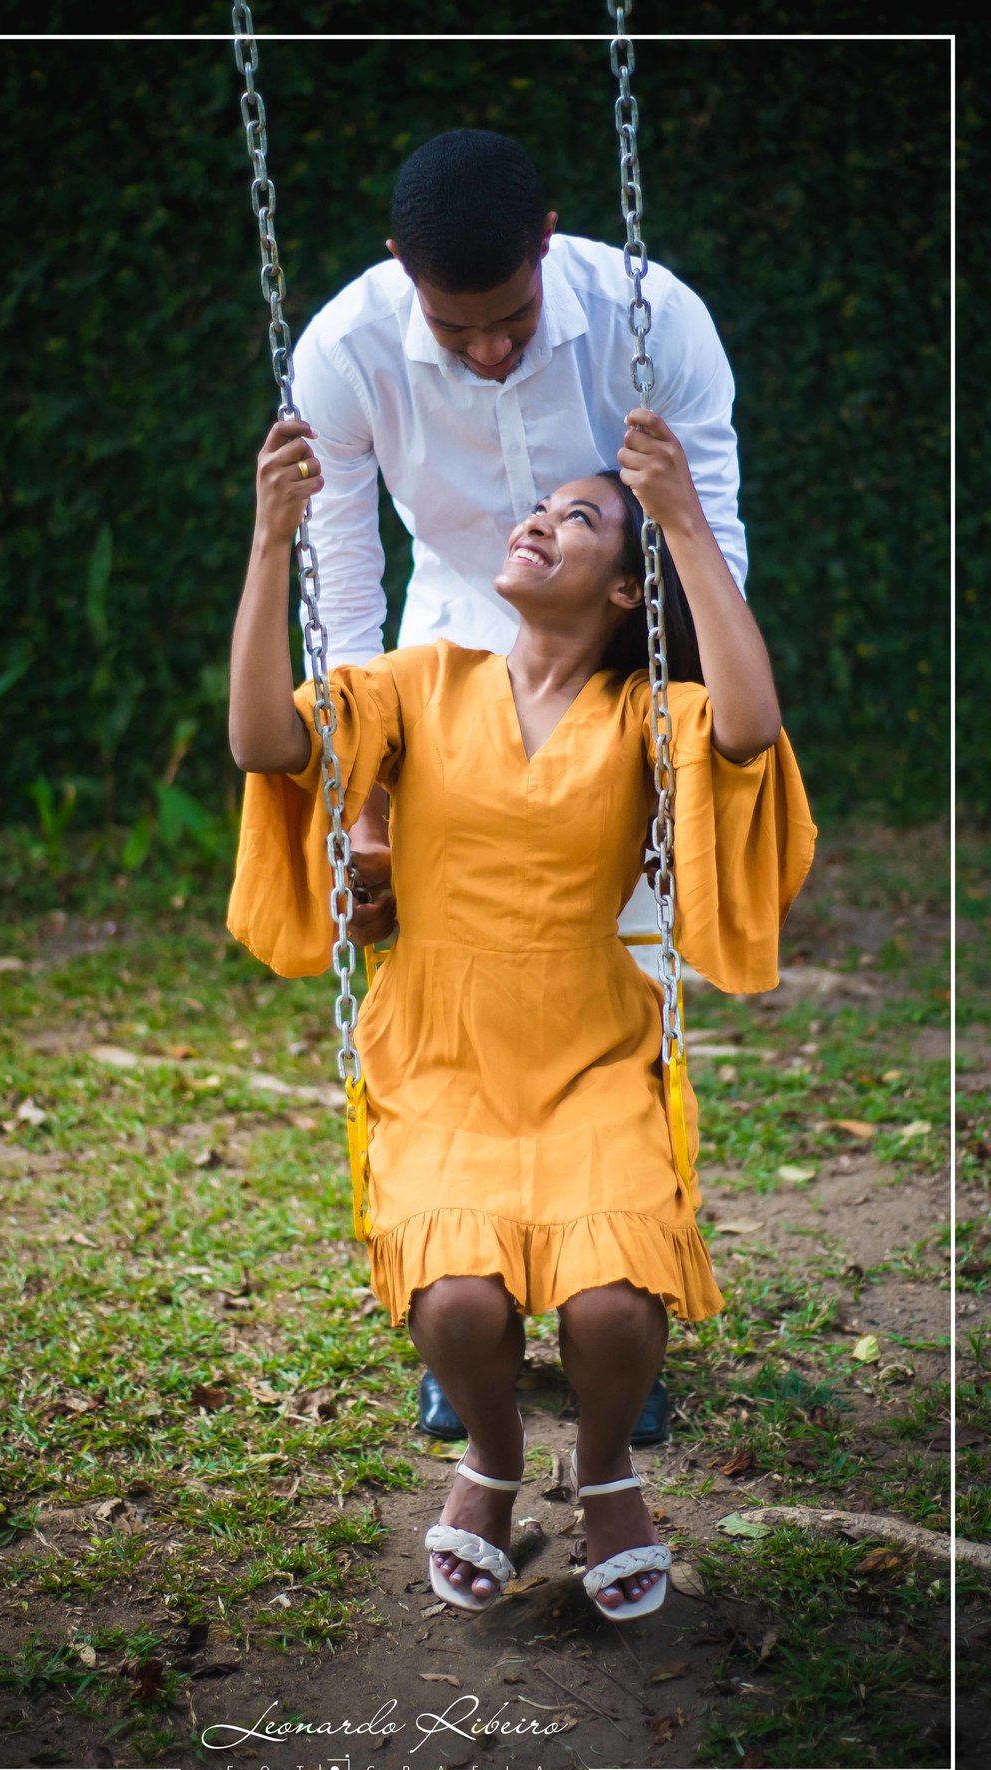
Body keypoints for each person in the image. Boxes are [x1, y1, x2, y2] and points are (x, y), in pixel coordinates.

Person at [226, 406, 815, 1617]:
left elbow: (751, 727)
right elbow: (264, 740)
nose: (539, 521)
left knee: (613, 1306)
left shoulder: (644, 714)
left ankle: (606, 1474)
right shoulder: (420, 683)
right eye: (541, 509)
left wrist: (682, 518)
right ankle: (491, 1463)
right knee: (456, 1301)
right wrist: (271, 538)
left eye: (578, 519)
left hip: (591, 1052)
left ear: (622, 591)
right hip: (440, 1052)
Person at [292, 128, 749, 1446]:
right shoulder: (346, 350)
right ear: (402, 269)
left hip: (620, 674)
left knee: (629, 988)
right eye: (458, 328)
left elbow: (707, 531)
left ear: (549, 241)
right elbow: (344, 586)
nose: (489, 349)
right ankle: (468, 1300)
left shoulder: (653, 319)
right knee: (456, 990)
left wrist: (684, 766)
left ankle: (623, 1292)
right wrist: (362, 799)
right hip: (440, 676)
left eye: (511, 318)